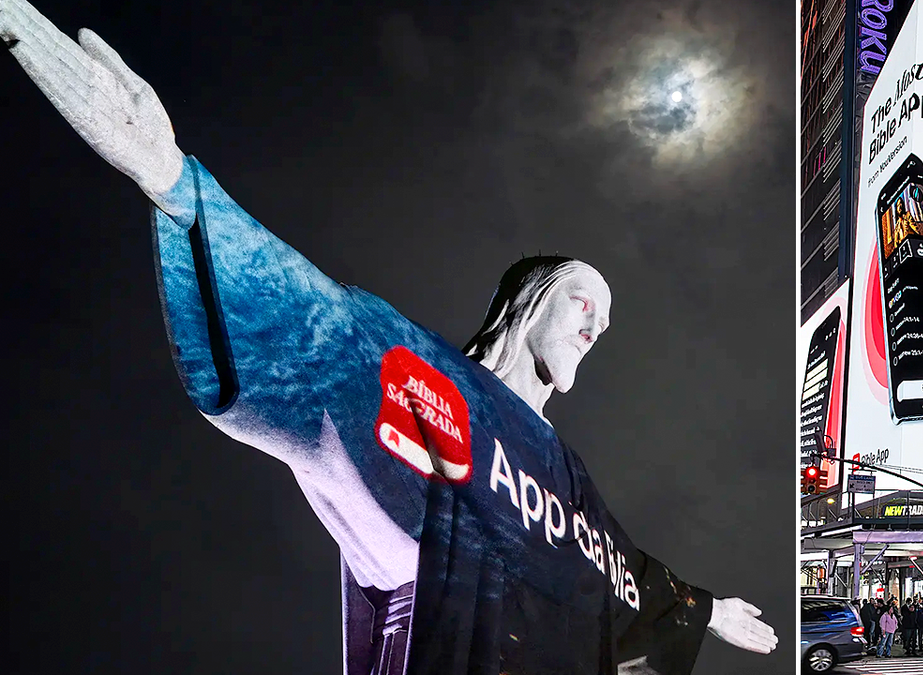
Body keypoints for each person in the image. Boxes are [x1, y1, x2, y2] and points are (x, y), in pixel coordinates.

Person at [0, 2, 778, 673]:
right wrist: (172, 179)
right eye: (582, 299)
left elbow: (623, 574)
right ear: (529, 302)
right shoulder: (430, 388)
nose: (594, 324)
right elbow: (321, 329)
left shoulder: (568, 485)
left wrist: (701, 608)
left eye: (603, 321)